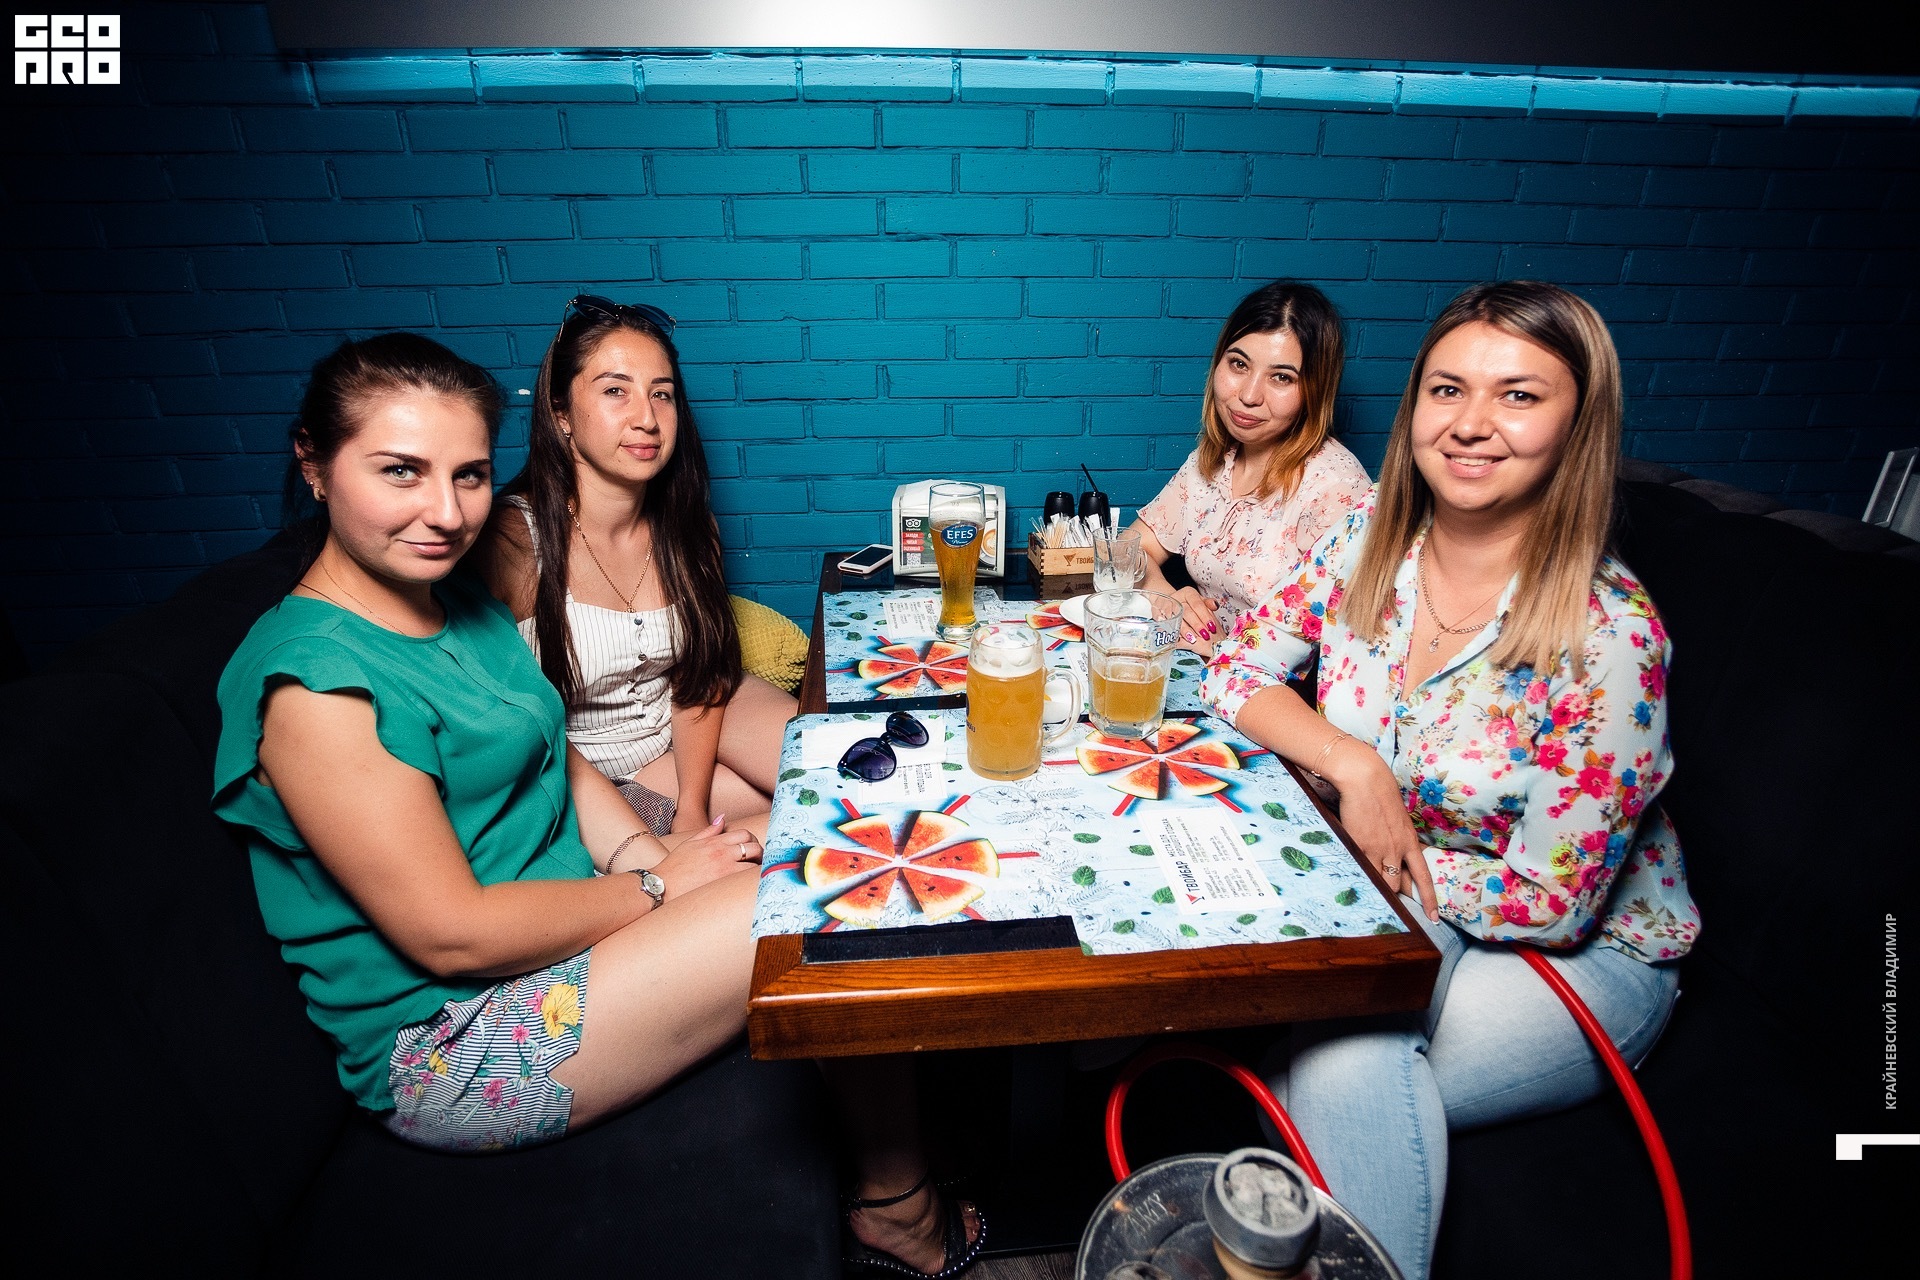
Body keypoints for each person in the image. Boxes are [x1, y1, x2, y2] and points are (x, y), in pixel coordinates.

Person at [211, 335, 978, 1277]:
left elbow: (560, 755)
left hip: (564, 917)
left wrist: (650, 856)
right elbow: (452, 937)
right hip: (454, 1039)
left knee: (835, 831)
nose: (445, 512)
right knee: (836, 890)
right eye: (400, 472)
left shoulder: (449, 606)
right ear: (314, 465)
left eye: (468, 475)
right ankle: (897, 1207)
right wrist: (658, 889)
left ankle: (919, 1126)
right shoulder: (316, 687)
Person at [1199, 282, 1700, 1280]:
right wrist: (1354, 764)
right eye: (1447, 389)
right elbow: (1235, 669)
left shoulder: (1612, 633)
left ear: (1578, 425)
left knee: (1332, 1064)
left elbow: (1554, 900)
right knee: (1314, 1058)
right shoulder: (1367, 535)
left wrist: (1364, 859)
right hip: (1406, 896)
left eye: (1519, 396)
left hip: (1579, 947)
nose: (1471, 424)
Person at [474, 296, 795, 836]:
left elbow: (698, 679)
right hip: (587, 779)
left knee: (843, 777)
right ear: (561, 414)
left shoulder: (691, 527)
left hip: (686, 730)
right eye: (615, 391)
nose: (646, 419)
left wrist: (691, 806)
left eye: (661, 394)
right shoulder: (510, 541)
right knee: (796, 824)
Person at [1133, 280, 1371, 657]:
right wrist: (1167, 597)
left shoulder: (1336, 487)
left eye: (1282, 377)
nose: (1248, 395)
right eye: (1239, 364)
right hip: (1202, 667)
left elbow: (1335, 642)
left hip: (1272, 685)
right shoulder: (1214, 460)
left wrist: (1221, 649)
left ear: (1315, 389)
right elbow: (1133, 548)